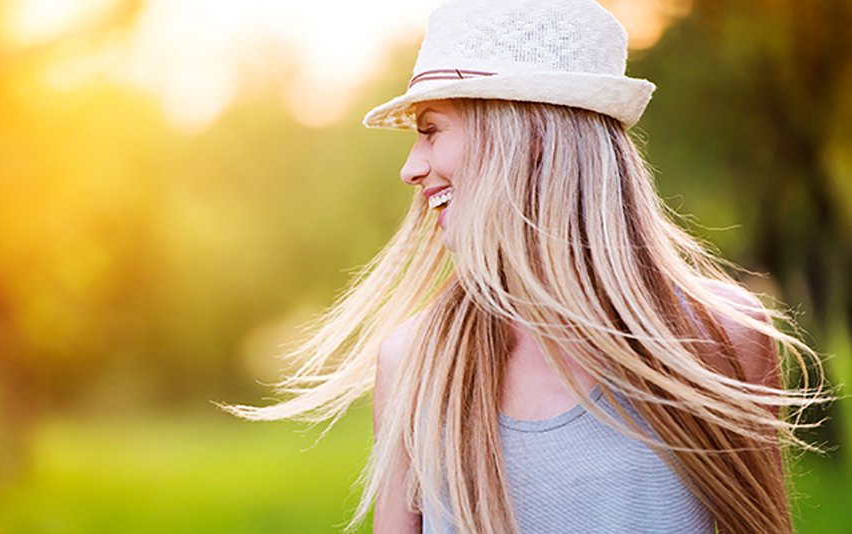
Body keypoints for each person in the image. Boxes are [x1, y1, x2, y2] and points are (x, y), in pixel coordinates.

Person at [225, 0, 829, 532]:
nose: (411, 167)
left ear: (530, 137)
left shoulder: (720, 338)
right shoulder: (414, 363)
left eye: (432, 129)